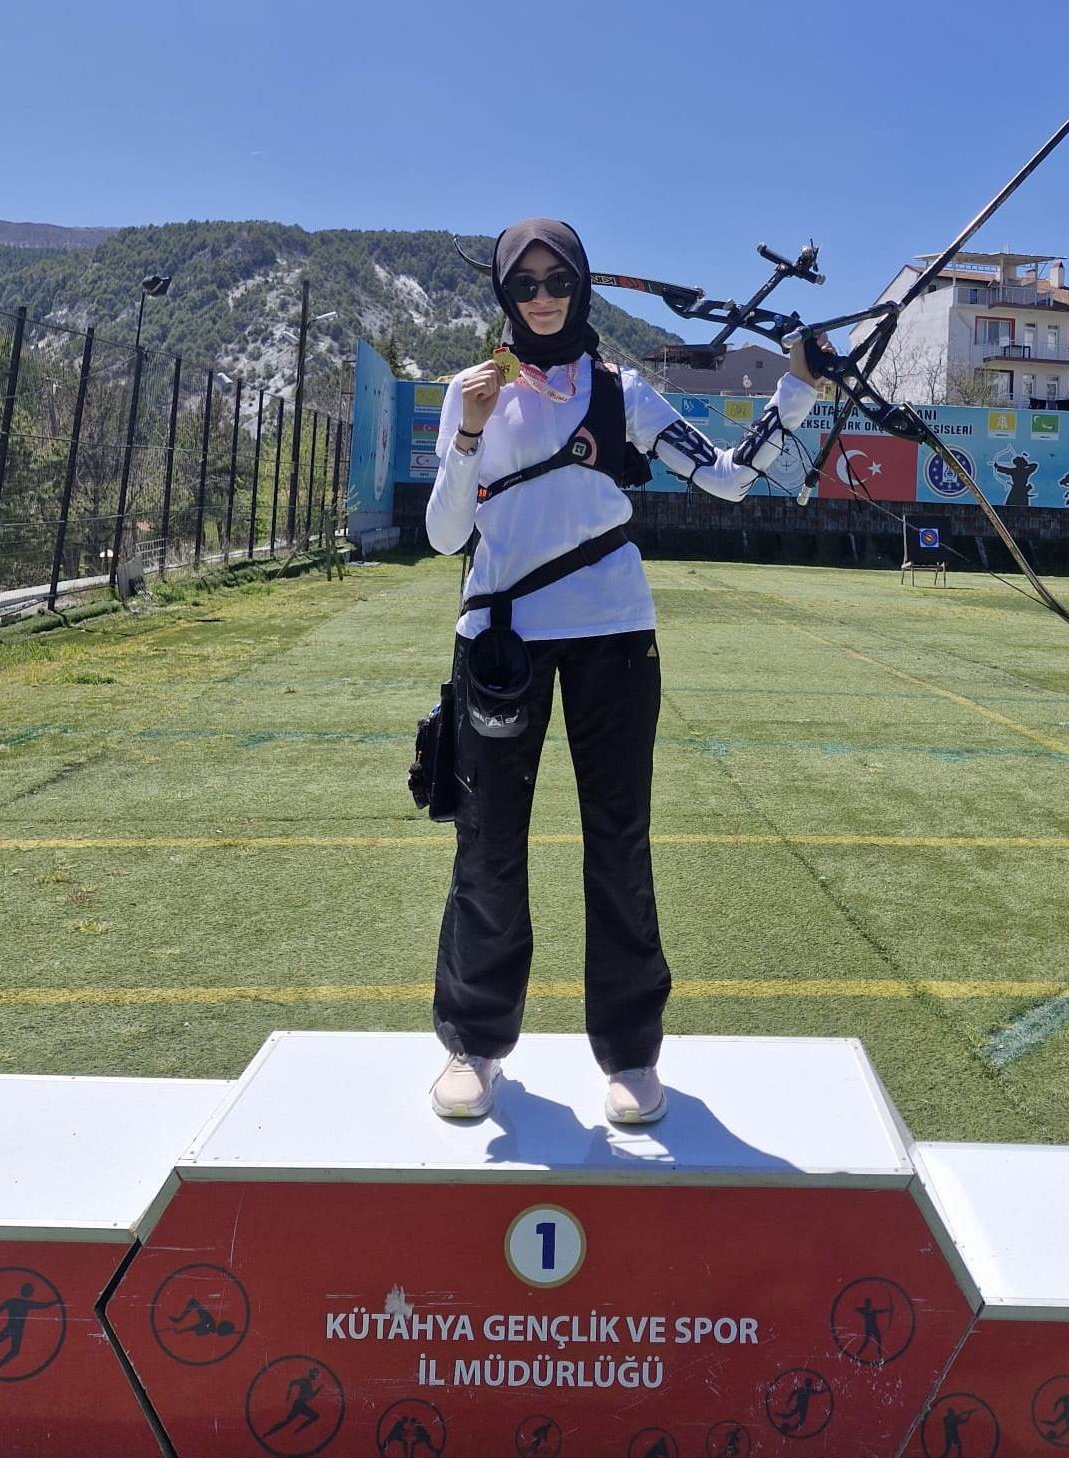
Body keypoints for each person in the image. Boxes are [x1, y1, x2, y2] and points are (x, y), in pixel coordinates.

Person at [425, 218, 820, 1124]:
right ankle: (475, 1044)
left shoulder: (624, 390)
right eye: (521, 285)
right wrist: (470, 434)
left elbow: (724, 479)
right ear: (502, 296)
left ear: (581, 284)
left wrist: (795, 390)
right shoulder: (470, 393)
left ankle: (632, 1053)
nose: (541, 298)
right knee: (487, 847)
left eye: (555, 279)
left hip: (615, 632)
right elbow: (448, 534)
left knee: (619, 840)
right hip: (501, 638)